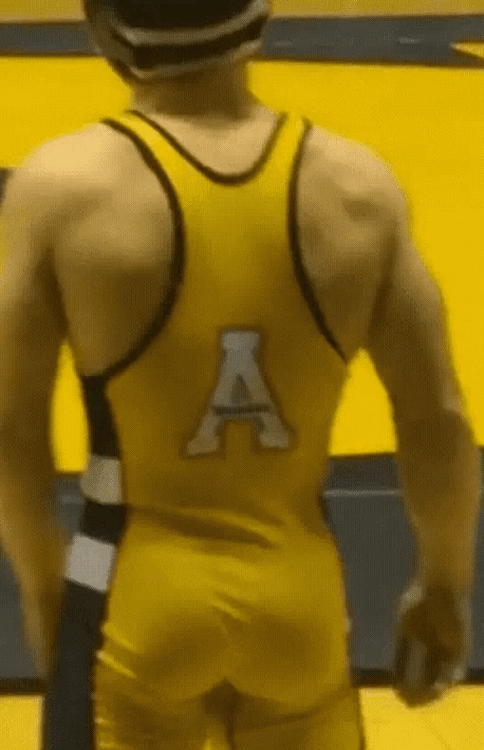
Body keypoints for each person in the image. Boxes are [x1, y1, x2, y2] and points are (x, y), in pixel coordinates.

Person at [0, 1, 479, 749]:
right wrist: (443, 584)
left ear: (103, 30)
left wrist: (42, 589)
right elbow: (437, 420)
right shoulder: (356, 188)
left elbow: (11, 427)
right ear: (261, 18)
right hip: (299, 597)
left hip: (134, 593)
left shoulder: (65, 189)